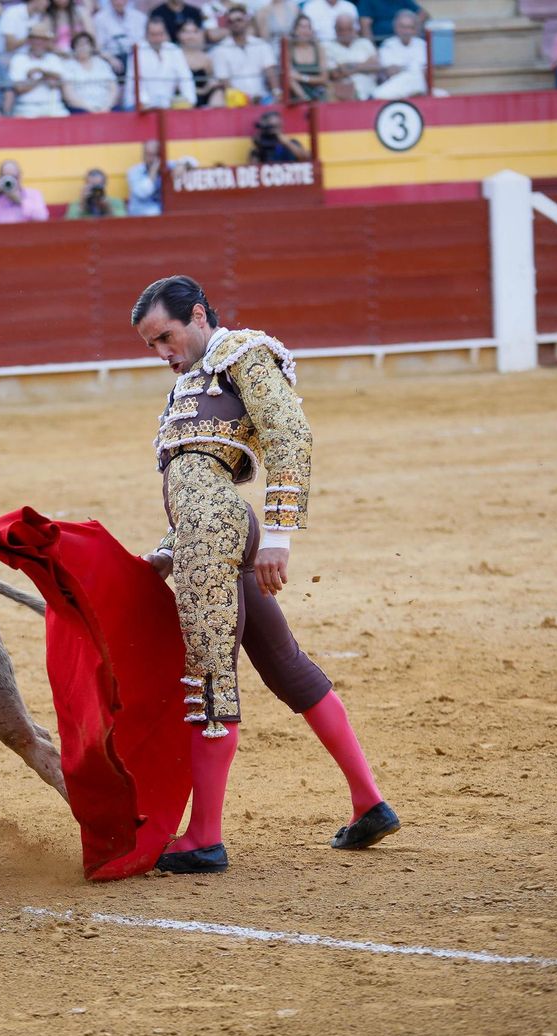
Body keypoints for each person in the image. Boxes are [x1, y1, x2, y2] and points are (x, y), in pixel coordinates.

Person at [132, 274, 399, 874]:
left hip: (225, 532)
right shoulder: (193, 384)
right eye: (151, 345)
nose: (162, 354)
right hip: (211, 531)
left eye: (166, 337)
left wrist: (278, 536)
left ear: (199, 315)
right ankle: (369, 802)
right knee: (284, 664)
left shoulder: (244, 354)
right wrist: (168, 551)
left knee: (207, 676)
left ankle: (204, 837)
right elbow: (199, 485)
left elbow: (290, 434)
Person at [212, 5, 280, 104]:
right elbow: (224, 81)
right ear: (227, 25)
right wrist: (245, 99)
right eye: (231, 21)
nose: (235, 24)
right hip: (235, 102)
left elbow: (270, 71)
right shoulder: (220, 49)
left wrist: (276, 93)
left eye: (239, 20)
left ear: (247, 21)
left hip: (263, 98)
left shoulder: (261, 45)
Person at [128, 17, 195, 109]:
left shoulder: (174, 50)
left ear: (165, 33)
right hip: (142, 108)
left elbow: (185, 78)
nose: (157, 38)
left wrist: (190, 101)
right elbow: (135, 85)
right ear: (146, 34)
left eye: (160, 34)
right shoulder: (137, 51)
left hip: (169, 107)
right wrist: (146, 104)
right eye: (153, 34)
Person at [10, 21, 67, 117]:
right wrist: (43, 78)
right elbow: (20, 88)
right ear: (30, 41)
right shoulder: (18, 59)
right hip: (26, 108)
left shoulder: (54, 59)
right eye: (36, 39)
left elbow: (59, 83)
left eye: (43, 40)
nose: (39, 42)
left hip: (53, 106)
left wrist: (39, 73)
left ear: (48, 42)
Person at [0, 158, 48, 224]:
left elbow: (42, 217)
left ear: (20, 176)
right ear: (0, 177)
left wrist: (19, 200)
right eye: (6, 177)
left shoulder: (33, 194)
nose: (9, 181)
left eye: (13, 177)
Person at [372, 9, 427, 97]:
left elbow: (426, 71)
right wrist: (411, 68)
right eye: (403, 27)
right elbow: (390, 71)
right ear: (396, 28)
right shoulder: (388, 45)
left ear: (415, 30)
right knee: (378, 95)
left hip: (420, 86)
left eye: (410, 27)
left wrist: (402, 68)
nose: (406, 31)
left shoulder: (423, 45)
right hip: (397, 85)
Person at [326, 11, 379, 99]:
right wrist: (364, 65)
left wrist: (348, 67)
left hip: (371, 95)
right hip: (345, 99)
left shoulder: (365, 43)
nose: (345, 33)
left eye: (349, 29)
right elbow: (334, 74)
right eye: (341, 29)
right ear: (335, 29)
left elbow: (376, 66)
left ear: (355, 29)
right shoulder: (327, 47)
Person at [61, 32, 115, 112]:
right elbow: (68, 94)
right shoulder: (68, 66)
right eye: (79, 45)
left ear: (92, 47)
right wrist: (90, 109)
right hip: (79, 109)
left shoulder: (102, 64)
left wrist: (107, 107)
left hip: (106, 108)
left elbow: (113, 89)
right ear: (74, 48)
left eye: (86, 44)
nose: (83, 47)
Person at [94, 0, 148, 78]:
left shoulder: (140, 17)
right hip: (111, 59)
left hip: (135, 57)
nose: (119, 2)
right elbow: (99, 46)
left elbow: (143, 43)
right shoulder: (99, 18)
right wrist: (111, 59)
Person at [286, 14, 330, 101]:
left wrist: (302, 77)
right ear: (295, 30)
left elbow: (324, 78)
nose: (305, 31)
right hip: (297, 95)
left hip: (318, 92)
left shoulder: (319, 49)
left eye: (308, 27)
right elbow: (289, 77)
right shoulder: (289, 50)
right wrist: (305, 98)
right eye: (301, 27)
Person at [127, 138, 167, 217]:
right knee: (154, 212)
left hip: (162, 214)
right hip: (141, 215)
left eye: (155, 155)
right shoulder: (134, 172)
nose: (152, 159)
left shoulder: (166, 166)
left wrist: (183, 165)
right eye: (149, 155)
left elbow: (192, 161)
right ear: (143, 155)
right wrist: (153, 172)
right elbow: (143, 192)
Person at [358, 0, 426, 42]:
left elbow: (422, 14)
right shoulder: (368, 1)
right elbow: (365, 25)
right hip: (380, 41)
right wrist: (372, 47)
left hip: (405, 40)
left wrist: (413, 28)